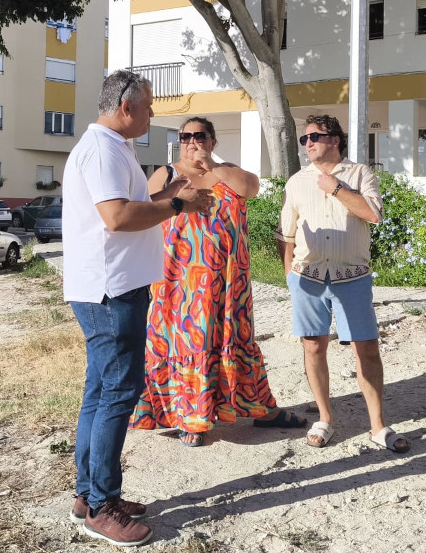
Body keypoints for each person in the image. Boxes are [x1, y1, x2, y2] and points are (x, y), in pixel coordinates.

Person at [63, 70, 215, 546]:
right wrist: (179, 209)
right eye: (148, 106)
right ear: (125, 107)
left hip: (109, 287)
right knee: (116, 395)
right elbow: (117, 217)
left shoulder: (112, 147)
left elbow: (132, 203)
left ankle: (88, 496)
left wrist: (172, 197)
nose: (152, 114)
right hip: (112, 291)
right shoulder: (104, 149)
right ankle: (102, 506)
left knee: (100, 391)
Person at [131, 117, 306, 447]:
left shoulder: (227, 171)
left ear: (212, 141)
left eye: (200, 136)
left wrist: (211, 166)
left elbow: (251, 188)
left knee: (235, 340)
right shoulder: (167, 174)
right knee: (184, 343)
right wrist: (175, 194)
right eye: (185, 136)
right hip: (179, 284)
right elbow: (144, 208)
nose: (192, 142)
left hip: (228, 282)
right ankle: (189, 418)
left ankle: (261, 409)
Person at [276, 114, 409, 454]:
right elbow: (286, 233)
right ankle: (325, 418)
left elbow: (373, 215)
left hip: (352, 278)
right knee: (313, 346)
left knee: (365, 348)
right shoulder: (296, 181)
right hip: (308, 279)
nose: (308, 143)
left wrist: (336, 188)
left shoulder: (360, 173)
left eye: (314, 137)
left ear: (334, 140)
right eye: (305, 139)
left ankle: (378, 426)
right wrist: (289, 272)